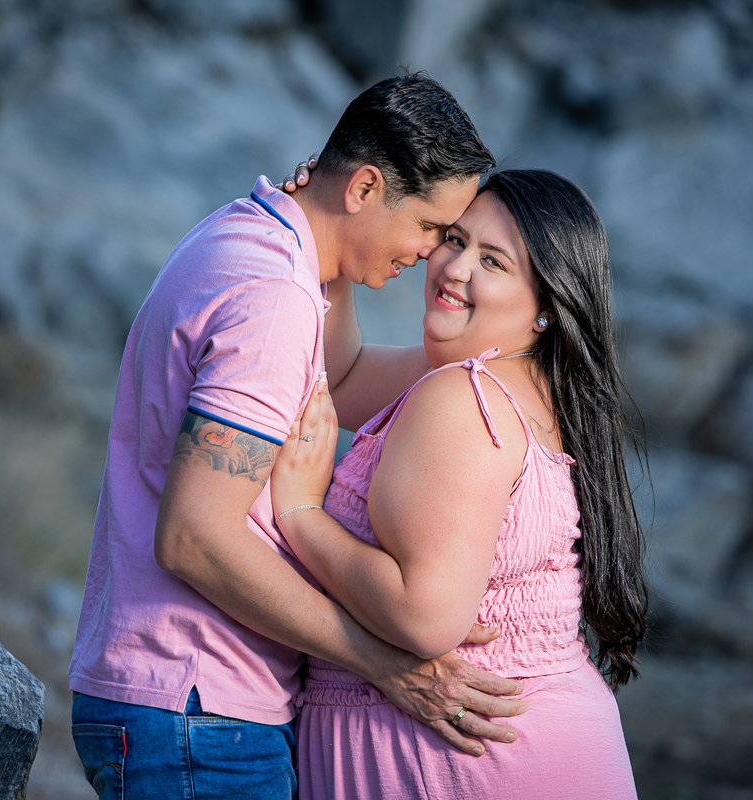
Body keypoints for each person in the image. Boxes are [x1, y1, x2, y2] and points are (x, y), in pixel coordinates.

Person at [68, 73, 529, 800]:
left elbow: (342, 379)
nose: (431, 254)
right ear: (366, 187)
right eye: (430, 227)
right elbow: (193, 537)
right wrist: (385, 664)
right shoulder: (273, 299)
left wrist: (519, 348)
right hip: (198, 709)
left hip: (171, 697)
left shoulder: (250, 237)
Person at [271, 169, 648, 799]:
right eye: (454, 239)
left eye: (493, 261)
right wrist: (331, 232)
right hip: (526, 746)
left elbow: (424, 618)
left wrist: (302, 514)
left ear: (548, 307)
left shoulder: (463, 398)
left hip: (465, 761)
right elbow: (345, 375)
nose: (455, 267)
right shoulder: (520, 383)